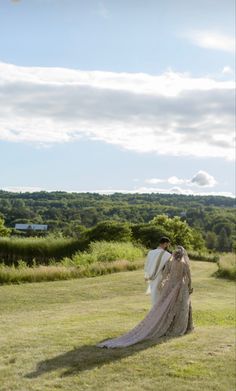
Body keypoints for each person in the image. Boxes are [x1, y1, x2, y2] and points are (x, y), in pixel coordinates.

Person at [97, 246, 193, 348]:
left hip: (170, 287)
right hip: (180, 287)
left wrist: (163, 284)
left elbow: (165, 274)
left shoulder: (170, 263)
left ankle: (168, 325)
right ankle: (178, 327)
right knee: (179, 308)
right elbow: (188, 277)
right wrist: (189, 287)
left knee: (166, 307)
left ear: (174, 254)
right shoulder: (184, 264)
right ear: (183, 255)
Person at [144, 237, 171, 306]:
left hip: (150, 277)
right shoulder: (167, 255)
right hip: (160, 277)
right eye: (168, 245)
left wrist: (146, 275)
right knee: (158, 296)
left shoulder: (150, 252)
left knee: (154, 295)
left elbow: (146, 264)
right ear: (165, 244)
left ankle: (155, 310)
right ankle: (157, 312)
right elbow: (168, 267)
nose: (168, 246)